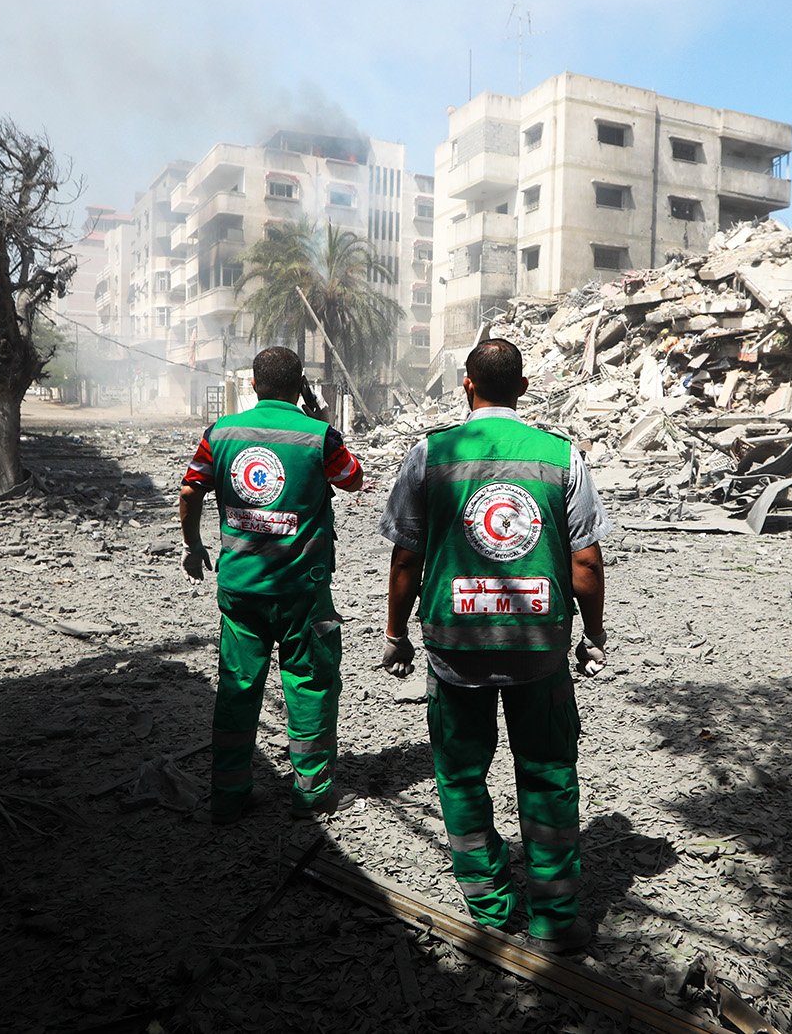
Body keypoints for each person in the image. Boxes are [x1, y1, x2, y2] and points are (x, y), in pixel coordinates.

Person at [378, 338, 610, 954]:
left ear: (466, 385)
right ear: (524, 388)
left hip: (456, 653)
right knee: (549, 774)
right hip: (539, 652)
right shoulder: (562, 457)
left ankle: (487, 902)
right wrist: (593, 633)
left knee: (459, 775)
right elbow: (585, 562)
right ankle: (555, 921)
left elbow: (406, 555)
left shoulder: (430, 453)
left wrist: (397, 634)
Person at [180, 346, 364, 822]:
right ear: (298, 383)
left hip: (241, 586)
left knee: (238, 688)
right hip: (303, 587)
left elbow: (190, 489)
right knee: (311, 683)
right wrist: (324, 420)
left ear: (255, 383)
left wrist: (193, 545)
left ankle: (229, 792)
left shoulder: (220, 433)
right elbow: (353, 479)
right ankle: (311, 792)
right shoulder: (317, 435)